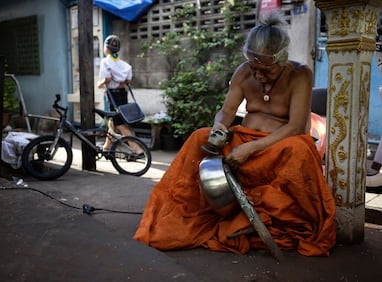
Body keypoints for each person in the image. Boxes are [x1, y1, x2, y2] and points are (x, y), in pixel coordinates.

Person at [133, 10, 336, 257]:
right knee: (200, 136)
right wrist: (220, 126)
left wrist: (249, 149)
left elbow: (295, 127)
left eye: (266, 70)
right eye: (254, 68)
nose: (259, 75)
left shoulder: (300, 74)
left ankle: (267, 217)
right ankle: (184, 209)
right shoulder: (243, 71)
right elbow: (226, 112)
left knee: (300, 148)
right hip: (243, 140)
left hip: (279, 146)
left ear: (281, 60)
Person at [97, 34, 136, 152]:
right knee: (113, 122)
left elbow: (106, 80)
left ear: (107, 48)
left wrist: (101, 83)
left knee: (118, 123)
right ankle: (106, 148)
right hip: (123, 94)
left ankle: (138, 149)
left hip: (113, 95)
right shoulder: (125, 66)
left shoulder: (105, 62)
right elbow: (127, 81)